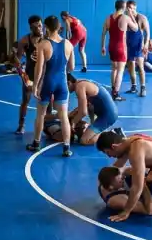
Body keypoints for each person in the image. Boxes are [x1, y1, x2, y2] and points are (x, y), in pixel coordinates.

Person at [28, 15, 75, 157]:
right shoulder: (68, 44)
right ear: (59, 27)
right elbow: (71, 67)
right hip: (62, 82)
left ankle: (36, 143)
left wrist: (35, 86)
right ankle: (66, 147)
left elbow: (39, 68)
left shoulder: (43, 44)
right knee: (63, 117)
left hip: (47, 83)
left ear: (46, 28)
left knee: (40, 115)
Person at [99, 0, 137, 102]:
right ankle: (115, 94)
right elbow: (136, 28)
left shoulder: (108, 18)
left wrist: (103, 46)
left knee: (114, 69)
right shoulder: (125, 17)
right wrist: (131, 15)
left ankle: (113, 89)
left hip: (111, 46)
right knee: (120, 70)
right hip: (121, 48)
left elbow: (103, 33)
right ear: (124, 7)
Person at [66, 74, 118, 145]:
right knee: (83, 109)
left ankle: (113, 133)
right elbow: (87, 106)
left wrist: (73, 123)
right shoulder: (81, 82)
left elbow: (83, 112)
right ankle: (96, 129)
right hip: (107, 112)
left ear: (69, 83)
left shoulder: (79, 87)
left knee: (84, 141)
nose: (65, 91)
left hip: (108, 116)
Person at [14, 15, 44, 134]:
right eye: (37, 27)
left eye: (41, 26)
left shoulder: (47, 39)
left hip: (44, 76)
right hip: (30, 75)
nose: (40, 29)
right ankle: (21, 125)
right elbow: (18, 59)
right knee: (26, 100)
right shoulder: (24, 40)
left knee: (47, 101)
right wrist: (21, 71)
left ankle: (48, 124)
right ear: (31, 27)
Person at [124, 0, 151, 97]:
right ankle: (134, 87)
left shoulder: (142, 17)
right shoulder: (126, 18)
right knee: (131, 66)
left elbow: (148, 33)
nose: (131, 10)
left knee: (140, 66)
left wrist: (146, 44)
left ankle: (143, 87)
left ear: (135, 7)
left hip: (139, 45)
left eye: (132, 8)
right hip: (129, 45)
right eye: (129, 8)